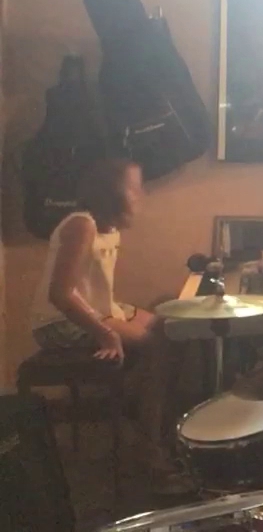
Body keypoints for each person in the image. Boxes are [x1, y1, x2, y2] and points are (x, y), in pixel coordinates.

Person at [28, 158, 186, 491]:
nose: (141, 195)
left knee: (171, 325)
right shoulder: (81, 225)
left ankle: (141, 411)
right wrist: (106, 332)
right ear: (110, 193)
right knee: (160, 345)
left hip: (95, 310)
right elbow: (61, 294)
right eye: (134, 188)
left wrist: (119, 318)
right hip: (59, 322)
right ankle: (149, 448)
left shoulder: (108, 228)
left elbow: (96, 294)